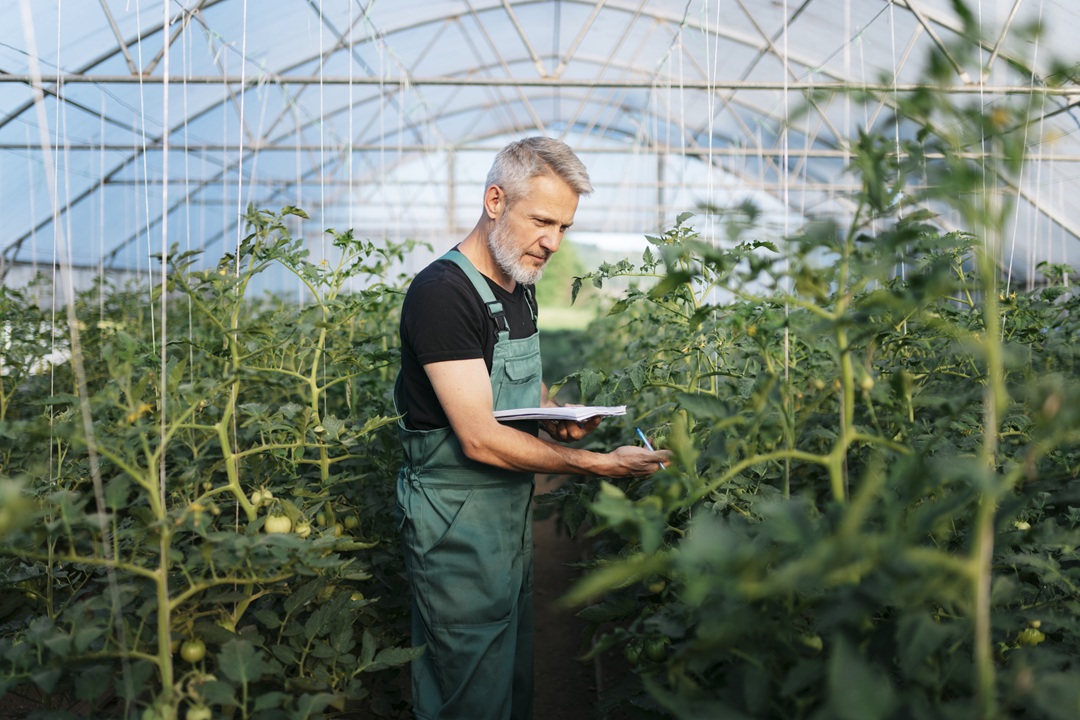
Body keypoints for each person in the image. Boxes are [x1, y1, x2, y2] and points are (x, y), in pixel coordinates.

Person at [394, 136, 670, 720]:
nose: (553, 241)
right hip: (456, 527)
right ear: (495, 200)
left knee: (508, 675)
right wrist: (596, 464)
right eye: (542, 220)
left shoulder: (519, 286)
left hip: (502, 517)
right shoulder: (443, 295)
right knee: (467, 686)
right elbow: (479, 436)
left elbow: (506, 391)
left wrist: (554, 417)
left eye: (565, 226)